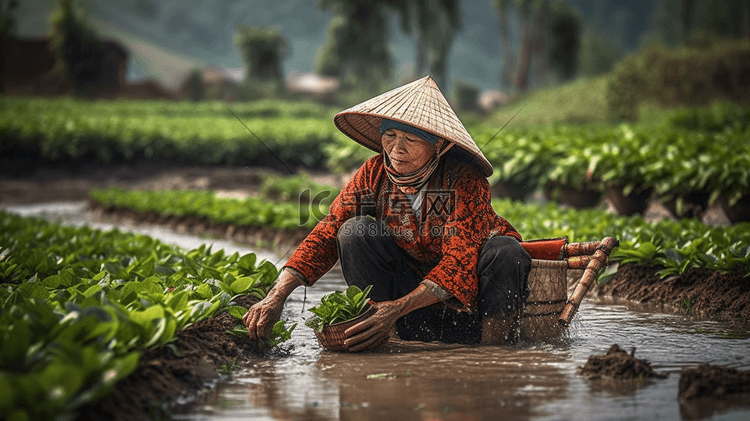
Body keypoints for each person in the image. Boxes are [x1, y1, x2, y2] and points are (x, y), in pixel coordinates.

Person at [243, 76, 531, 352]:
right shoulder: (373, 173)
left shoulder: (464, 180)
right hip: (407, 300)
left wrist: (398, 307)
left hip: (471, 305)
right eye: (390, 135)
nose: (397, 148)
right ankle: (384, 334)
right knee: (353, 232)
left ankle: (494, 348)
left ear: (439, 146)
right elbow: (327, 232)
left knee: (505, 251)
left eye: (411, 139)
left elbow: (458, 262)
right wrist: (277, 295)